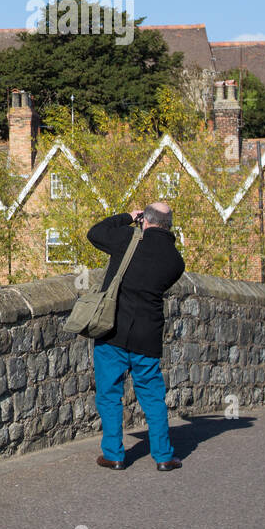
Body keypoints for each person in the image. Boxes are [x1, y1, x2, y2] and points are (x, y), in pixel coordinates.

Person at [86, 202, 186, 472]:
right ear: (169, 224)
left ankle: (114, 454)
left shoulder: (127, 239)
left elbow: (95, 232)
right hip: (147, 336)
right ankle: (164, 456)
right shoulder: (176, 261)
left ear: (145, 220)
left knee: (109, 395)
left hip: (113, 330)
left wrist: (127, 218)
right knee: (152, 397)